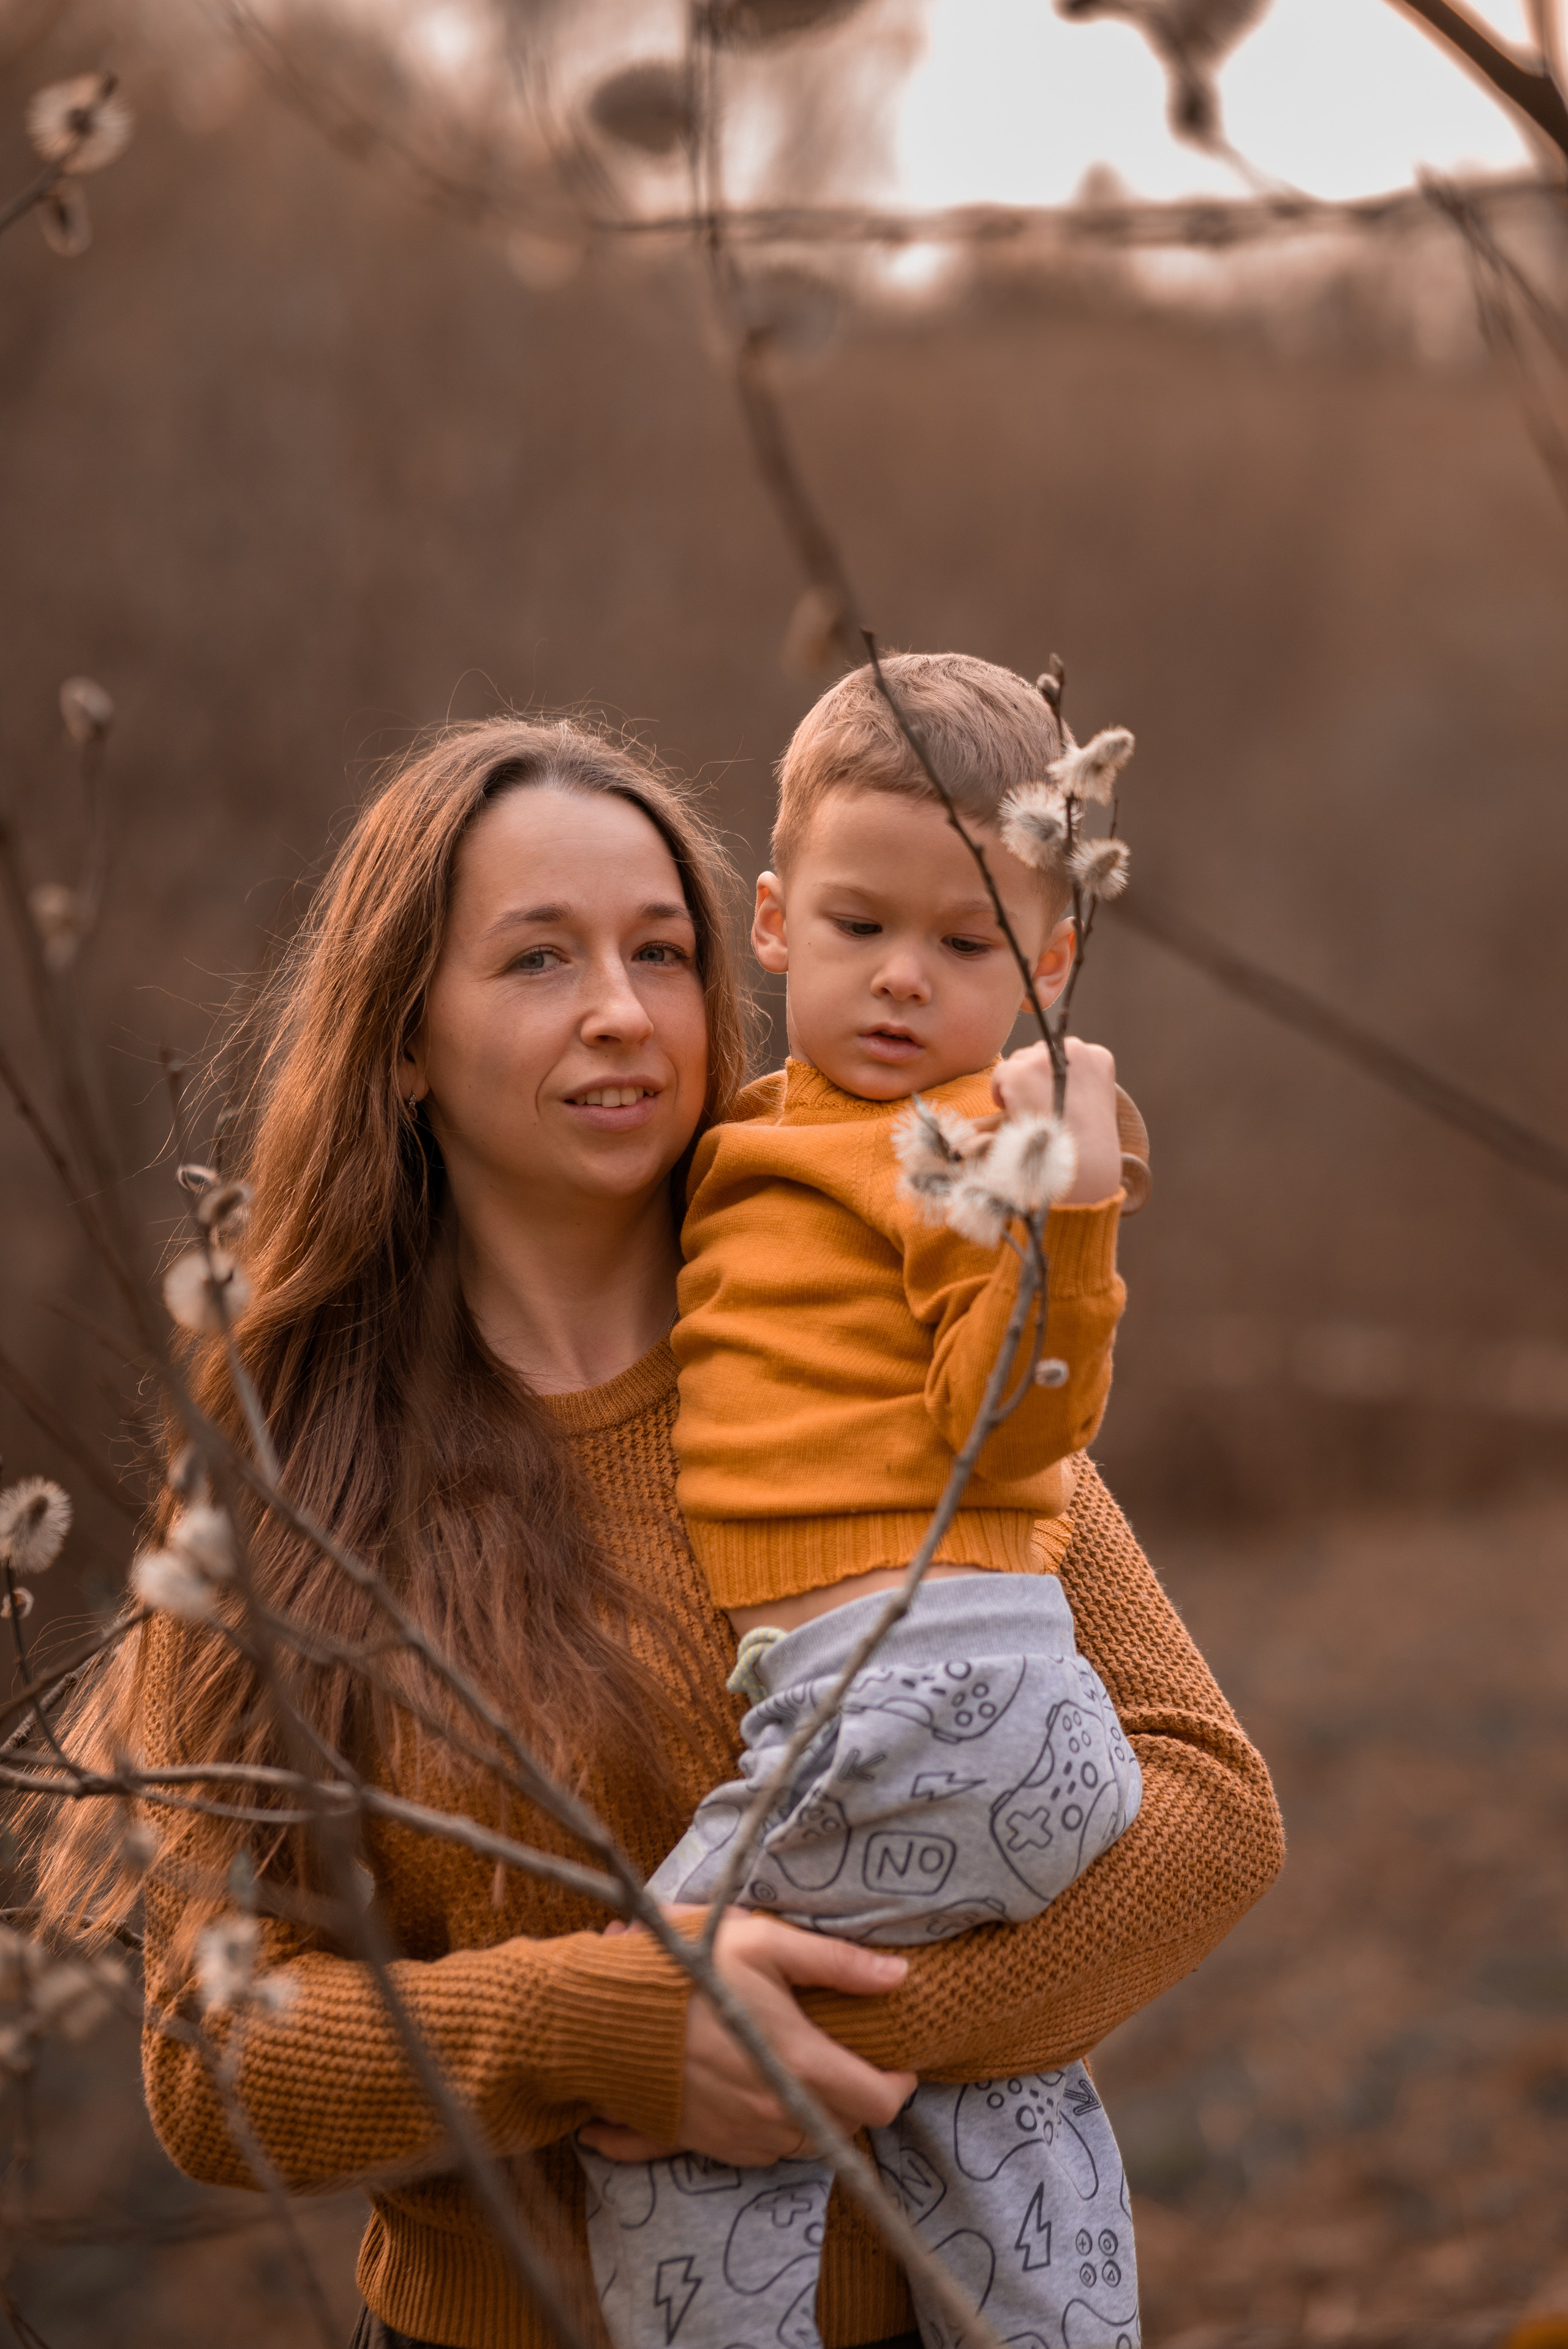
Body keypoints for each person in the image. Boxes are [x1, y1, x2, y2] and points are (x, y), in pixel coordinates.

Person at [32, 715, 1284, 2349]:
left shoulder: (862, 1312)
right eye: (540, 959)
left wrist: (819, 2048)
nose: (622, 1010)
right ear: (405, 1034)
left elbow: (1211, 1800)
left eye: (660, 952)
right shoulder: (284, 1477)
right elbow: (213, 2062)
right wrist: (604, 2028)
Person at [579, 654, 1145, 2349]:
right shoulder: (764, 1138)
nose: (906, 979)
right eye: (858, 927)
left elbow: (1022, 1424)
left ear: (1049, 962)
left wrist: (1071, 1212)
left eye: (968, 946)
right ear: (770, 920)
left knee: (656, 2027)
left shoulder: (965, 1141)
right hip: (948, 1717)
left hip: (921, 1686)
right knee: (996, 2104)